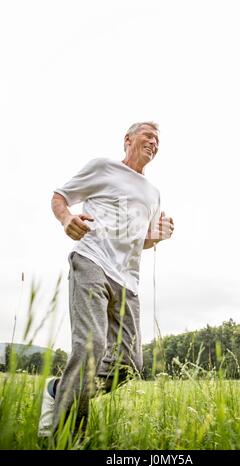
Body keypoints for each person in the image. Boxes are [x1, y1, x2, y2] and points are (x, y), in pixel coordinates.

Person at [38, 122, 174, 437]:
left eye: (157, 140)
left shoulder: (153, 193)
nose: (153, 142)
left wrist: (159, 236)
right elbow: (60, 196)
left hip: (128, 280)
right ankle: (68, 436)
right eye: (148, 136)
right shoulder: (104, 167)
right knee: (91, 346)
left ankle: (59, 390)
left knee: (129, 365)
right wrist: (67, 218)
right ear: (127, 140)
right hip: (92, 261)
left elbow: (142, 239)